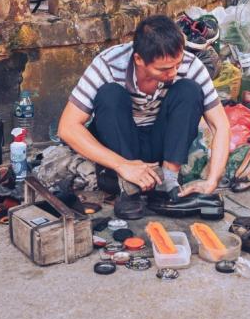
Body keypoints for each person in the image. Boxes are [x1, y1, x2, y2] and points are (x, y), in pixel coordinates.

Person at [57, 14, 230, 220]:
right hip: (121, 149)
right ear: (138, 59)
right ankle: (129, 188)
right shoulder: (108, 64)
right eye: (164, 69)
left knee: (189, 90)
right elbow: (67, 127)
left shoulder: (190, 65)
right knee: (110, 94)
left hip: (160, 145)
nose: (174, 72)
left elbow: (221, 126)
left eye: (177, 64)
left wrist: (211, 181)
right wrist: (123, 166)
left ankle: (168, 180)